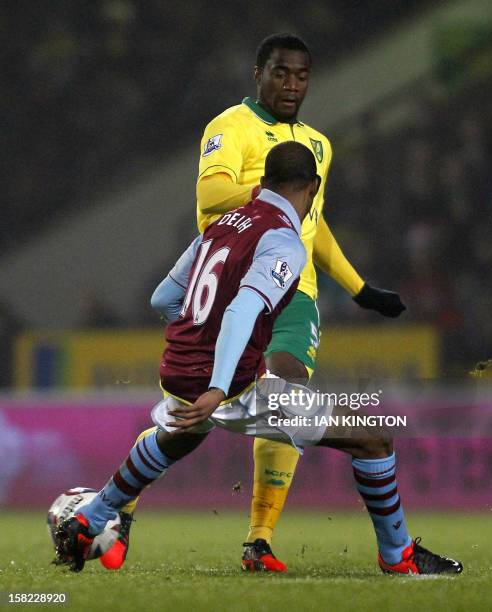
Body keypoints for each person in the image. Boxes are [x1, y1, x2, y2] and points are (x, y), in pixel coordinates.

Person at [54, 142, 462, 577]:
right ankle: (398, 556)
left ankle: (91, 518)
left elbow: (163, 297)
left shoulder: (219, 227)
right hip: (237, 388)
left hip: (176, 372)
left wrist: (197, 345)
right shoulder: (284, 241)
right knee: (374, 439)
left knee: (179, 436)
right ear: (313, 188)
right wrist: (218, 385)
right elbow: (241, 310)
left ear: (263, 182)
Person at [121, 33, 406, 573]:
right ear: (259, 73)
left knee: (287, 389)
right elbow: (211, 198)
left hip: (293, 292)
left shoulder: (318, 144)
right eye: (280, 73)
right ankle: (121, 502)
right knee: (199, 420)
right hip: (232, 282)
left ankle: (259, 539)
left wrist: (360, 288)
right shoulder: (229, 127)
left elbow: (312, 226)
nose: (291, 85)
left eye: (300, 75)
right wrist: (273, 187)